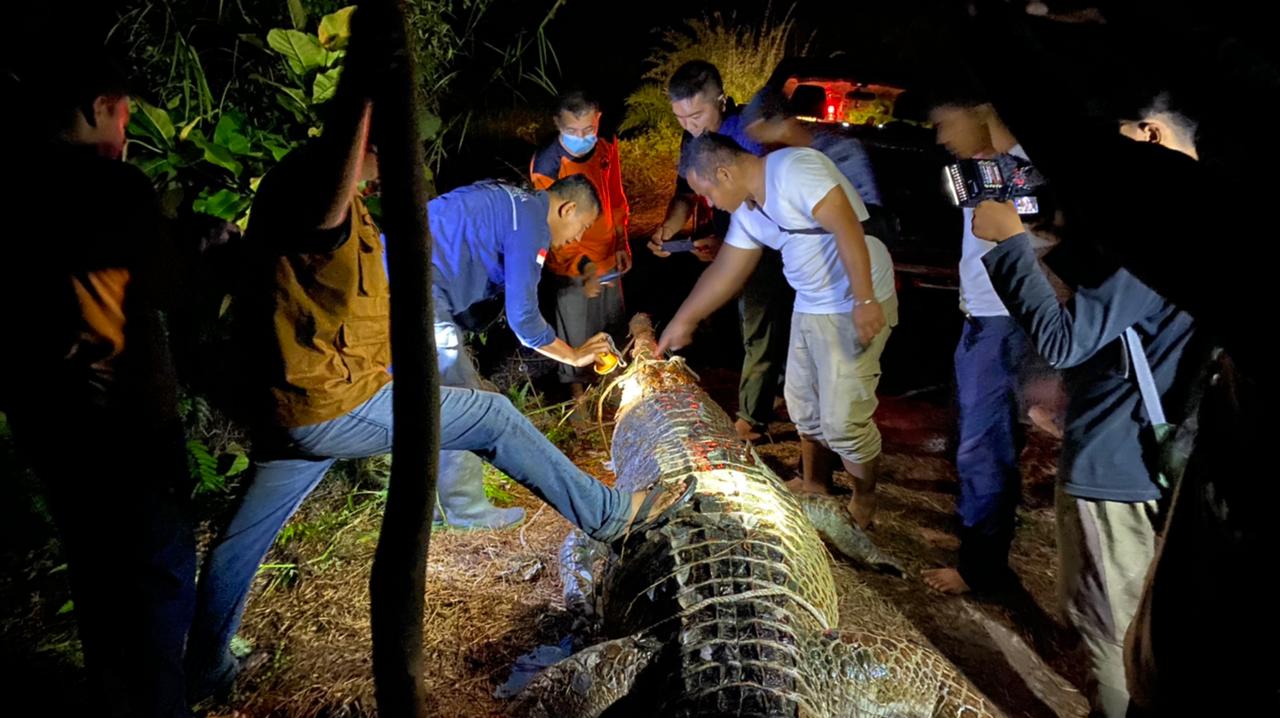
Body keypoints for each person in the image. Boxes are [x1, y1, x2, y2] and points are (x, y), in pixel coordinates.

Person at [184, 10, 689, 700]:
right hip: (330, 399)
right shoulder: (317, 192)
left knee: (244, 536)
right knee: (491, 417)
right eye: (394, 144)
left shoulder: (332, 207)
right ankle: (609, 514)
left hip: (305, 395)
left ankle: (205, 665)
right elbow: (518, 315)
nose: (406, 160)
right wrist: (366, 88)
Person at [969, 90, 1207, 717]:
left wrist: (1006, 246)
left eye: (1118, 136)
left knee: (1112, 632)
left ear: (1151, 135)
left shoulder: (1167, 228)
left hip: (1114, 463)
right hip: (1132, 452)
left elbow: (1063, 340)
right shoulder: (1202, 220)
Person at [1, 52, 197, 717]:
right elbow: (170, 287)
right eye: (122, 113)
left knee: (97, 582)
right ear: (92, 111)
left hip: (51, 425)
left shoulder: (14, 189)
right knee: (157, 582)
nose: (126, 128)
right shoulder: (113, 189)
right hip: (126, 425)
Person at [657, 133, 896, 529]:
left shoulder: (794, 169)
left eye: (708, 193)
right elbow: (726, 270)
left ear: (723, 172)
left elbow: (846, 225)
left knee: (843, 420)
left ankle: (864, 498)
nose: (711, 204)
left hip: (851, 299)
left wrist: (864, 299)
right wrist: (684, 321)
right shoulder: (749, 212)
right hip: (810, 302)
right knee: (802, 403)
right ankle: (815, 482)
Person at [920, 96, 1039, 596]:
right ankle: (975, 544)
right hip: (982, 316)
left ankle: (981, 568)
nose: (942, 138)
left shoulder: (1025, 168)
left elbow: (1032, 237)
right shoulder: (991, 167)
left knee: (984, 445)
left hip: (1003, 319)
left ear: (983, 111)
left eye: (946, 124)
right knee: (974, 437)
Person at [645, 60, 792, 442]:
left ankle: (752, 419)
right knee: (741, 321)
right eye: (681, 118)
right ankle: (770, 391)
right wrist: (669, 229)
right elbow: (686, 192)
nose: (691, 126)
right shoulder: (693, 138)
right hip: (730, 235)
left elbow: (759, 202)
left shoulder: (745, 135)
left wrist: (727, 243)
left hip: (763, 239)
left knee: (759, 323)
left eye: (697, 114)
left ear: (722, 101)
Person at [529, 89, 631, 404]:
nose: (581, 137)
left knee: (612, 324)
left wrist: (621, 239)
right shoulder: (546, 165)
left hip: (608, 256)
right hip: (570, 263)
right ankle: (578, 398)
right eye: (572, 132)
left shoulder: (605, 145)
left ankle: (615, 389)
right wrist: (581, 266)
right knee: (574, 328)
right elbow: (551, 226)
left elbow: (615, 193)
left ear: (598, 120)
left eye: (588, 129)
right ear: (558, 124)